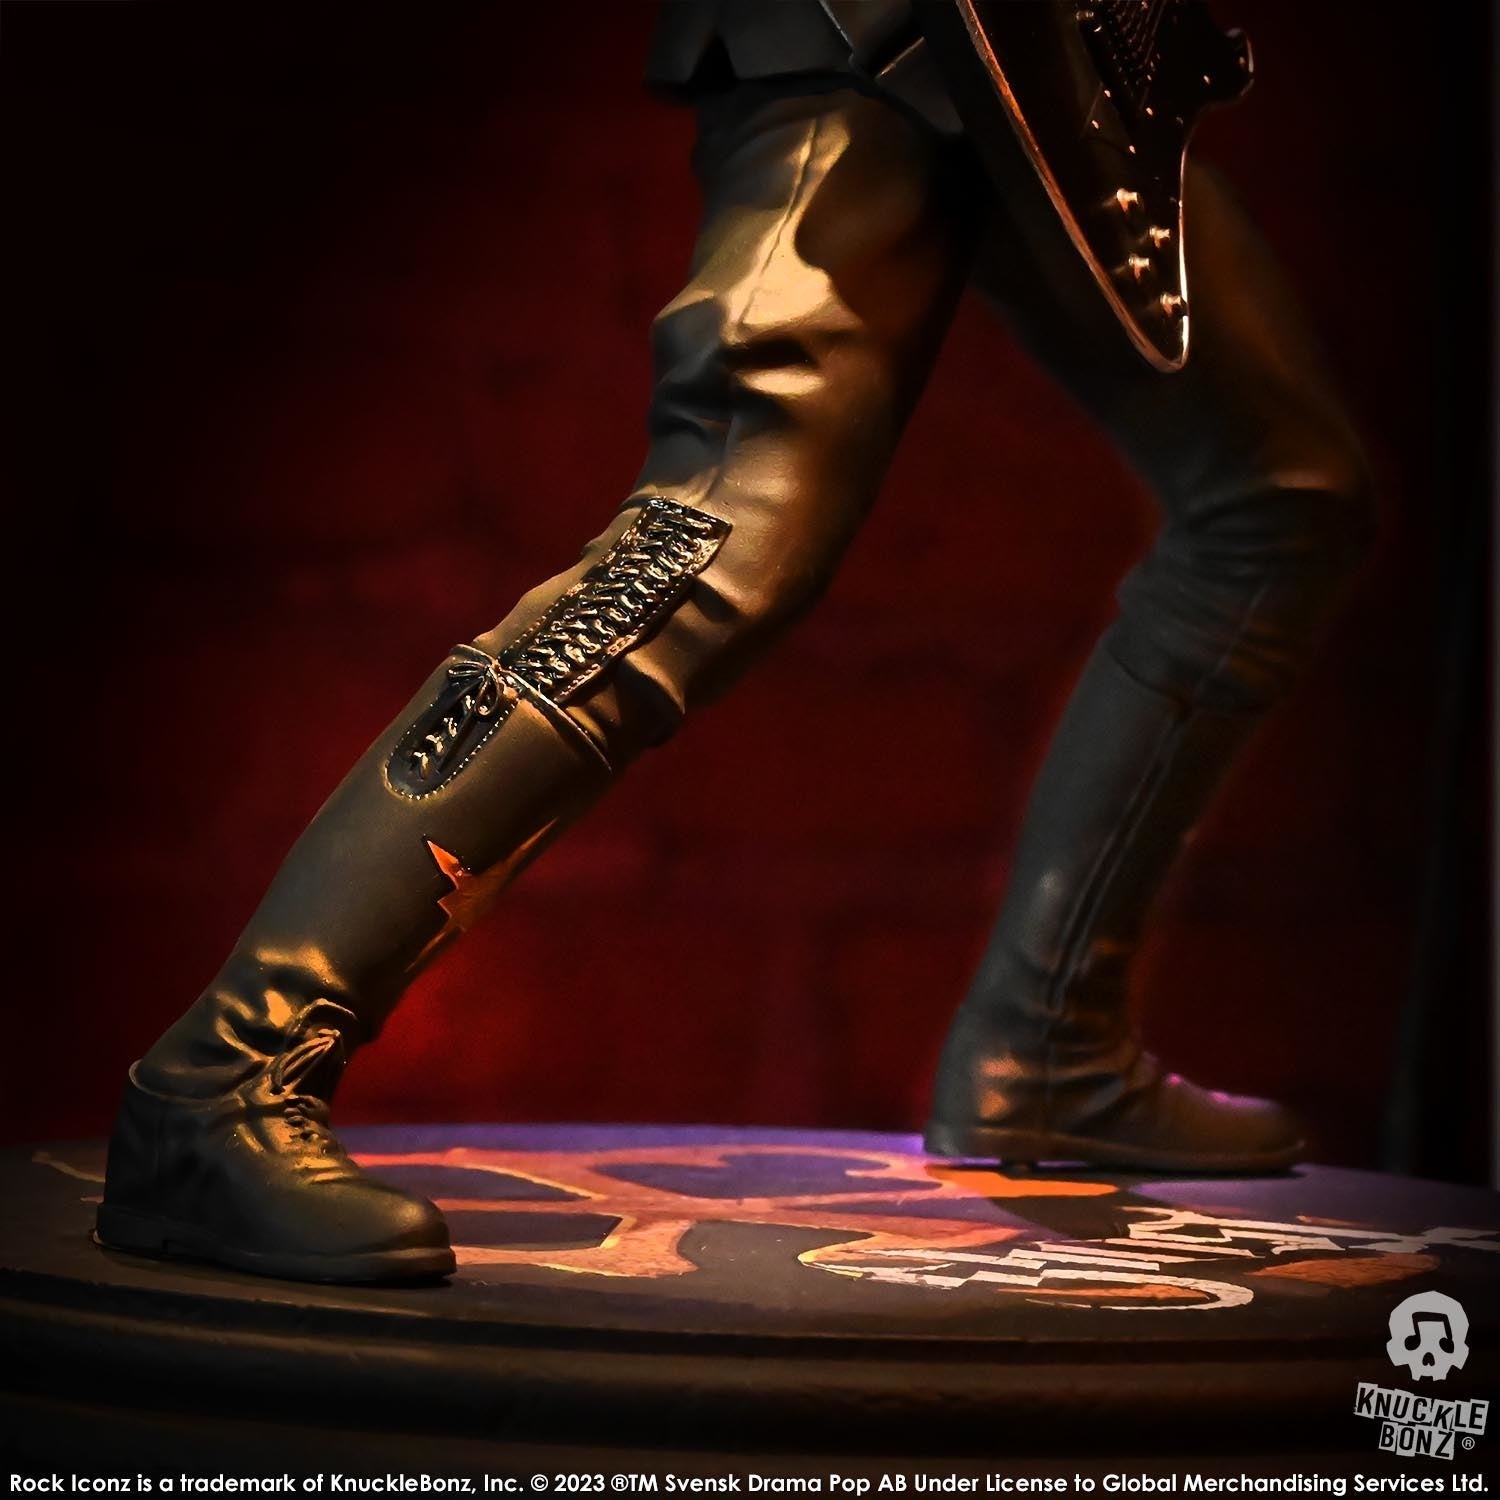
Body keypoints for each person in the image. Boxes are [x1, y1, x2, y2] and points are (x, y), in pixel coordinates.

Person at [95, 0, 1373, 1284]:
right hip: (870, 32)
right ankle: (219, 1079)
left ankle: (1051, 1047)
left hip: (1071, 58)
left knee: (1282, 494)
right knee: (707, 538)